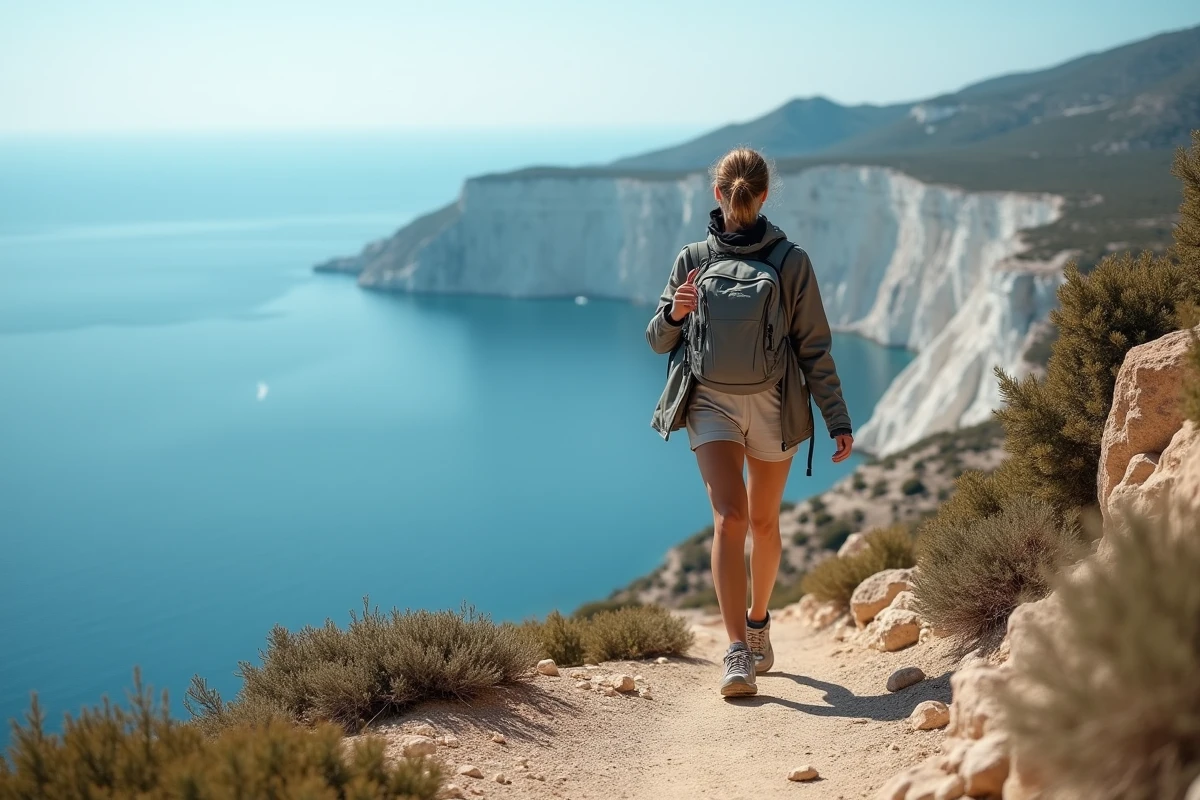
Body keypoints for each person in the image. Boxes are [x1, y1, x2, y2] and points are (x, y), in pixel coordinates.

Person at [646, 148, 853, 697]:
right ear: (764, 196)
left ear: (718, 194)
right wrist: (675, 314)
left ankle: (757, 625)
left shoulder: (778, 262)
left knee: (754, 522)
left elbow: (810, 344)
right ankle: (738, 648)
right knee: (735, 519)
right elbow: (817, 349)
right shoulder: (768, 260)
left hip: (762, 405)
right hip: (726, 405)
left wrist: (835, 416)